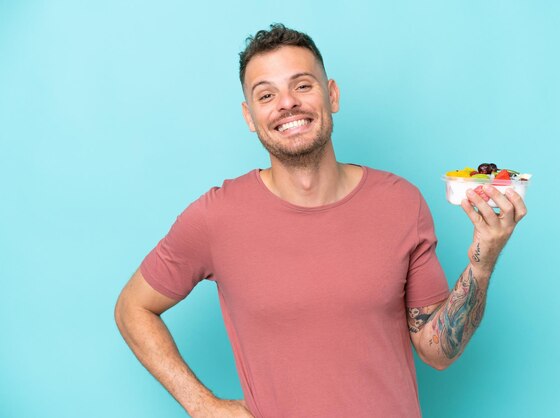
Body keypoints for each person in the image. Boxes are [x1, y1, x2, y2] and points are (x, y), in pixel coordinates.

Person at [114, 23, 527, 418]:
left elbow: (437, 352)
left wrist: (482, 260)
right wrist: (203, 406)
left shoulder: (401, 202)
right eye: (266, 95)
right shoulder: (216, 217)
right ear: (248, 117)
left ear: (332, 95)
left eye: (302, 85)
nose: (287, 103)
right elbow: (133, 308)